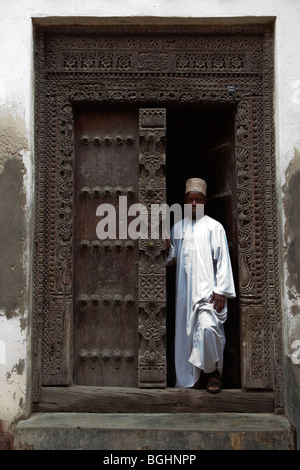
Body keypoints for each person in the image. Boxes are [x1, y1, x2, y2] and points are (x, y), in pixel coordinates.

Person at [166, 178, 236, 393]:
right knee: (185, 337)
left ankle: (212, 374)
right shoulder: (178, 227)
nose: (193, 204)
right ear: (184, 202)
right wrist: (166, 248)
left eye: (197, 200)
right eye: (189, 200)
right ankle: (190, 381)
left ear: (205, 201)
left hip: (208, 293)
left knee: (208, 329)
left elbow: (222, 259)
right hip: (184, 295)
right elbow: (172, 260)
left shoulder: (214, 227)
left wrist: (221, 290)